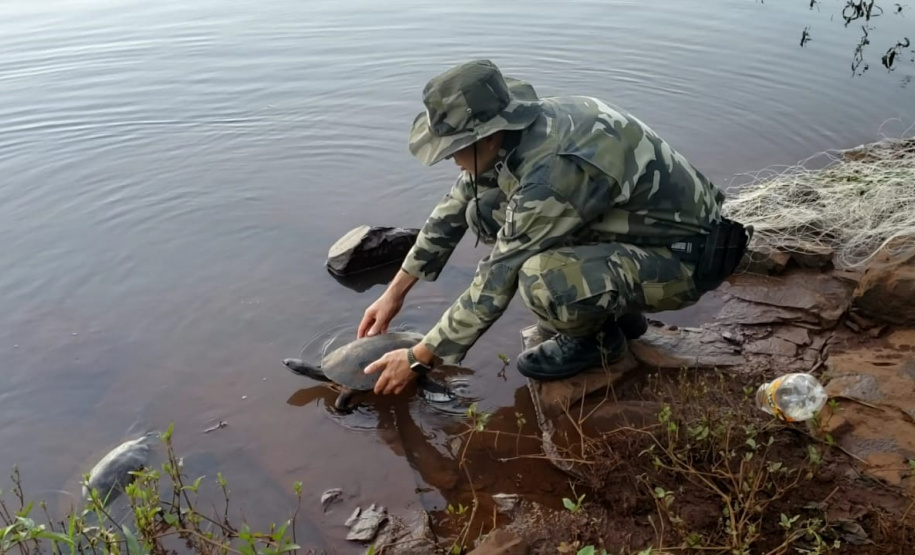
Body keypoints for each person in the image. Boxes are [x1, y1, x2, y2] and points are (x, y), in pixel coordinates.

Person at [359, 59, 748, 396]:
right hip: (644, 234)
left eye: (453, 150)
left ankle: (597, 344)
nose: (452, 161)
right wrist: (394, 294)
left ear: (488, 136)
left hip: (685, 262)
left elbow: (496, 279)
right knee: (484, 206)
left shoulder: (551, 172)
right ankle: (613, 311)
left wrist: (417, 357)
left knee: (540, 279)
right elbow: (454, 208)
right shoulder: (523, 128)